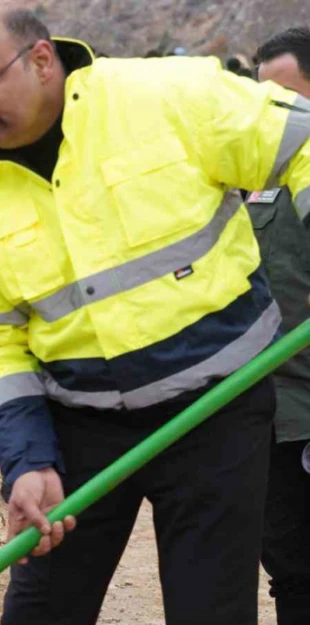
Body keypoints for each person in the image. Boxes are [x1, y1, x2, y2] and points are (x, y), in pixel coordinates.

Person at [0, 2, 310, 624]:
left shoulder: (166, 96)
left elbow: (301, 139)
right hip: (78, 423)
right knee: (40, 612)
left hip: (219, 408)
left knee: (210, 612)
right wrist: (27, 461)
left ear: (42, 60)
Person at [252, 26, 310, 625]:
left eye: (288, 99)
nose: (272, 115)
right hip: (276, 416)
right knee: (292, 572)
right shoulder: (251, 174)